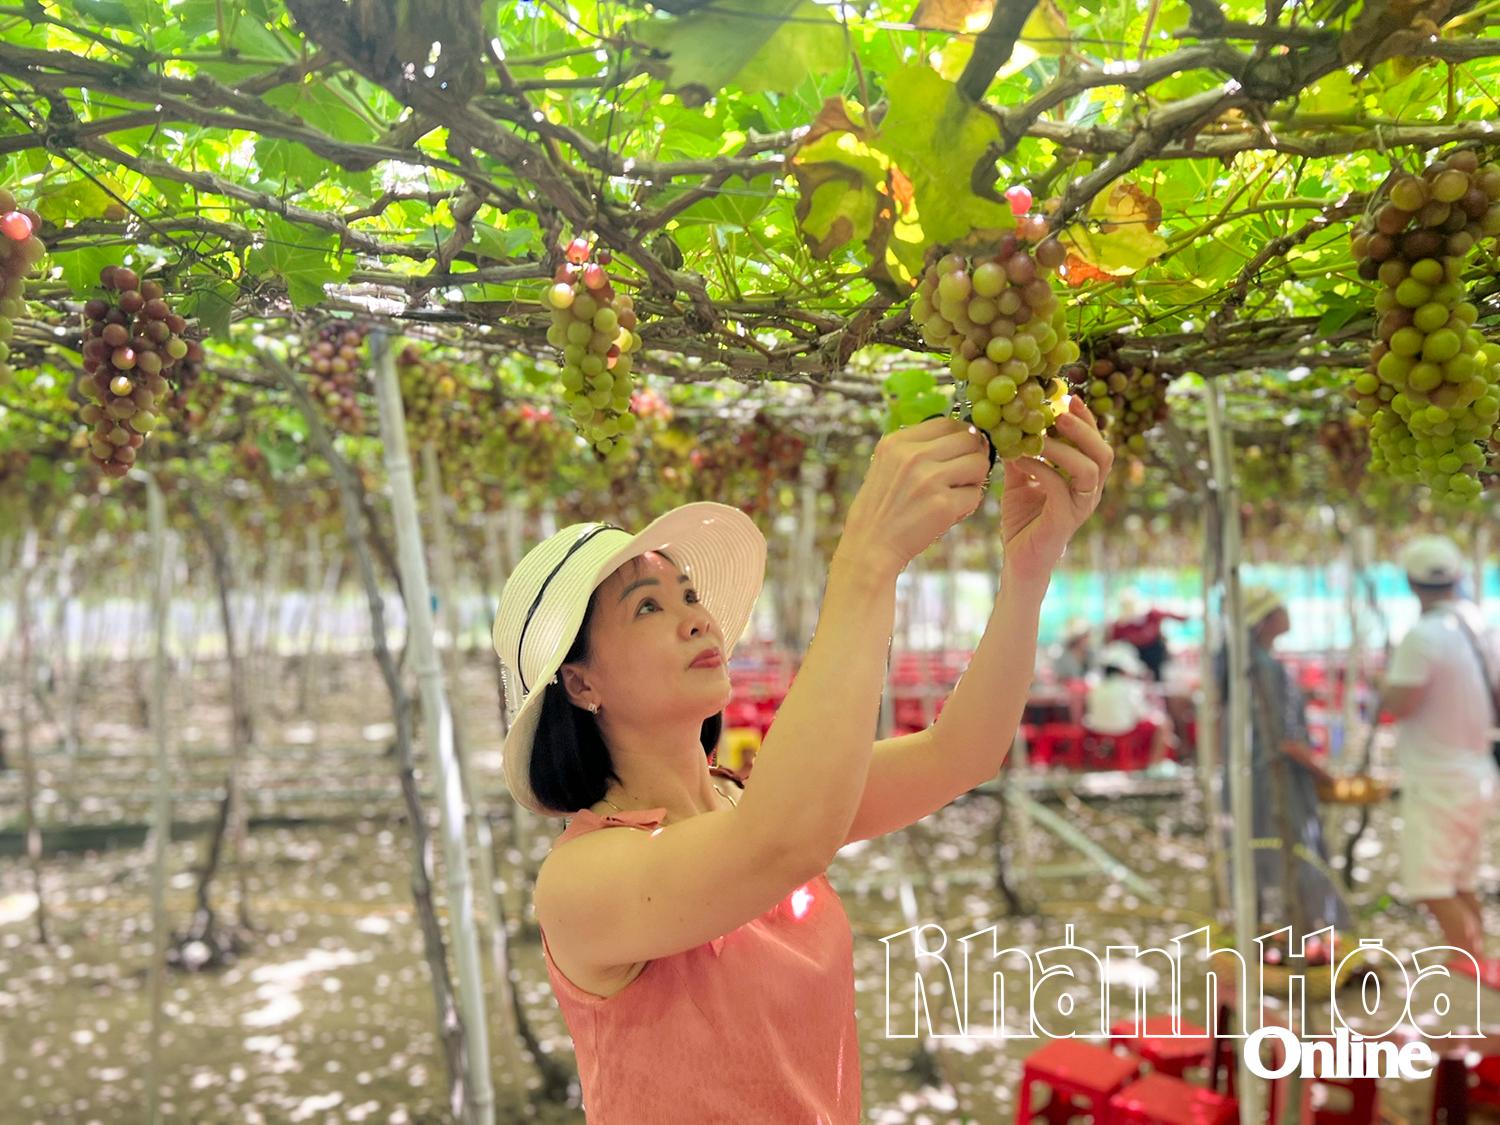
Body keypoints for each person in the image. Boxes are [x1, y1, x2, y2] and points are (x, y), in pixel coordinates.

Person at [492, 404, 1112, 1121]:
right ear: (580, 684)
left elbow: (961, 753)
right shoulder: (580, 881)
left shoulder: (750, 799)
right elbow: (778, 844)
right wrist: (866, 560)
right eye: (647, 608)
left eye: (689, 595)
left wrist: (1029, 570)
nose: (696, 618)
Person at [1380, 535, 1499, 960]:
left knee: (1430, 885)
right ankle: (1478, 959)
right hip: (1477, 771)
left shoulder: (1423, 637)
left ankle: (1469, 963)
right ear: (1457, 577)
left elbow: (1401, 703)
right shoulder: (1480, 627)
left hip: (1437, 779)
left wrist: (1383, 685)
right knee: (1460, 880)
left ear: (1412, 584)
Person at [1218, 585, 1351, 932]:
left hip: (1252, 776)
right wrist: (1325, 776)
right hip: (1274, 779)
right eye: (1279, 608)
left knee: (1259, 854)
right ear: (1265, 620)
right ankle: (1300, 931)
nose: (1287, 613)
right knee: (1292, 852)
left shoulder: (1247, 664)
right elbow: (1286, 740)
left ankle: (1270, 929)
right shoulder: (1264, 669)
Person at [1082, 641, 1173, 767]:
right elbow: (1142, 713)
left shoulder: (1096, 687)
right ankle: (1155, 766)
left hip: (1097, 728)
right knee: (1163, 724)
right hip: (1124, 730)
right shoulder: (1131, 688)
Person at [1108, 590, 1188, 682]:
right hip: (1137, 659)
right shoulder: (1120, 626)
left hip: (1156, 655)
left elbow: (1174, 616)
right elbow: (1113, 644)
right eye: (1126, 606)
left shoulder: (1152, 615)